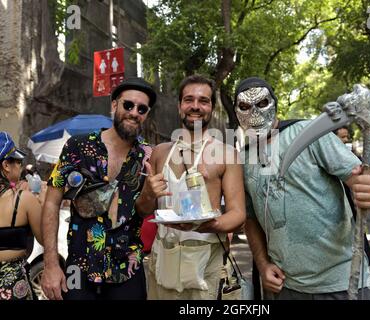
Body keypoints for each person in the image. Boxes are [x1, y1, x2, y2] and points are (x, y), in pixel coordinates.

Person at [234, 77, 370, 300]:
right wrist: (263, 263)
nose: (254, 113)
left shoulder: (310, 132)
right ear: (237, 111)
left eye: (262, 103)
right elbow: (251, 219)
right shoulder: (243, 158)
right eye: (245, 107)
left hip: (340, 281)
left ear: (274, 103)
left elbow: (358, 177)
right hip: (286, 285)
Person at [41, 77, 157, 300]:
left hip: (128, 270)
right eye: (128, 105)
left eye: (142, 109)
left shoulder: (148, 156)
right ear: (114, 105)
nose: (134, 112)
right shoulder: (77, 146)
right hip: (78, 268)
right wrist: (51, 265)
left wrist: (151, 191)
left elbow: (146, 210)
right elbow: (52, 201)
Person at [137, 74, 246, 299]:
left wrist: (207, 225)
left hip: (204, 265)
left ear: (212, 108)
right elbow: (143, 210)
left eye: (203, 101)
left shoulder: (226, 154)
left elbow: (238, 214)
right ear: (179, 106)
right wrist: (148, 192)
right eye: (189, 100)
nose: (195, 106)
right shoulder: (160, 152)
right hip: (163, 262)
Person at [0, 131, 42, 300]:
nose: (20, 166)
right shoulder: (24, 200)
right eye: (17, 161)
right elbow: (46, 239)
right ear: (6, 165)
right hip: (12, 286)